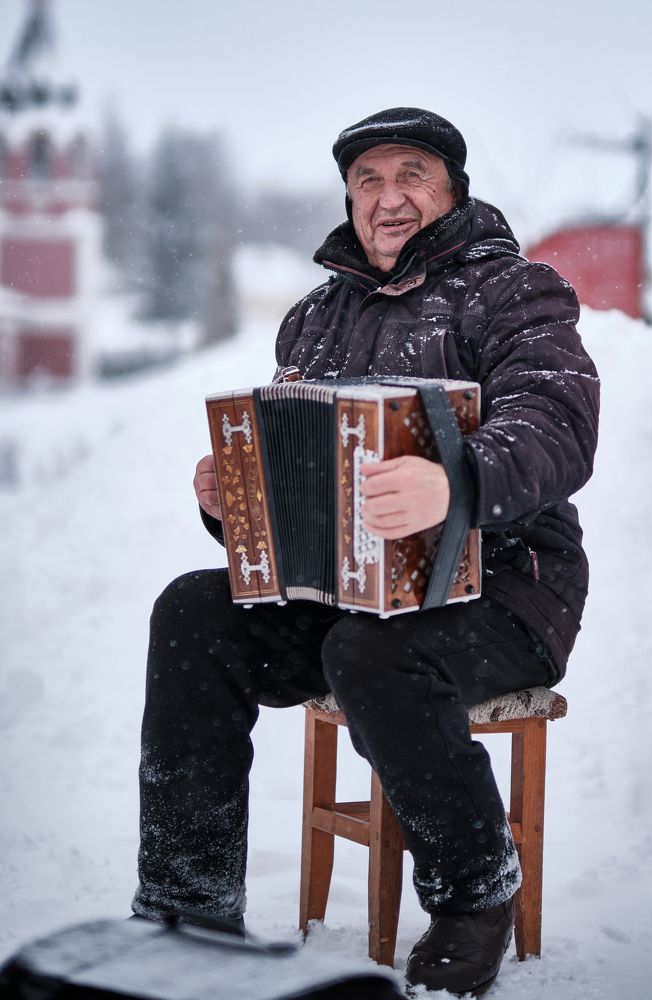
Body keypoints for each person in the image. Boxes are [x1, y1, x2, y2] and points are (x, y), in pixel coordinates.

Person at [132, 107, 600, 998]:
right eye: (368, 181)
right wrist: (236, 500)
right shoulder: (316, 316)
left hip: (504, 593)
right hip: (351, 589)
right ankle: (187, 907)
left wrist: (455, 481)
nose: (389, 198)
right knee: (193, 609)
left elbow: (559, 428)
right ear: (349, 197)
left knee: (371, 653)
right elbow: (306, 472)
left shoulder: (515, 293)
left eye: (412, 175)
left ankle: (475, 893)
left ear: (453, 189)